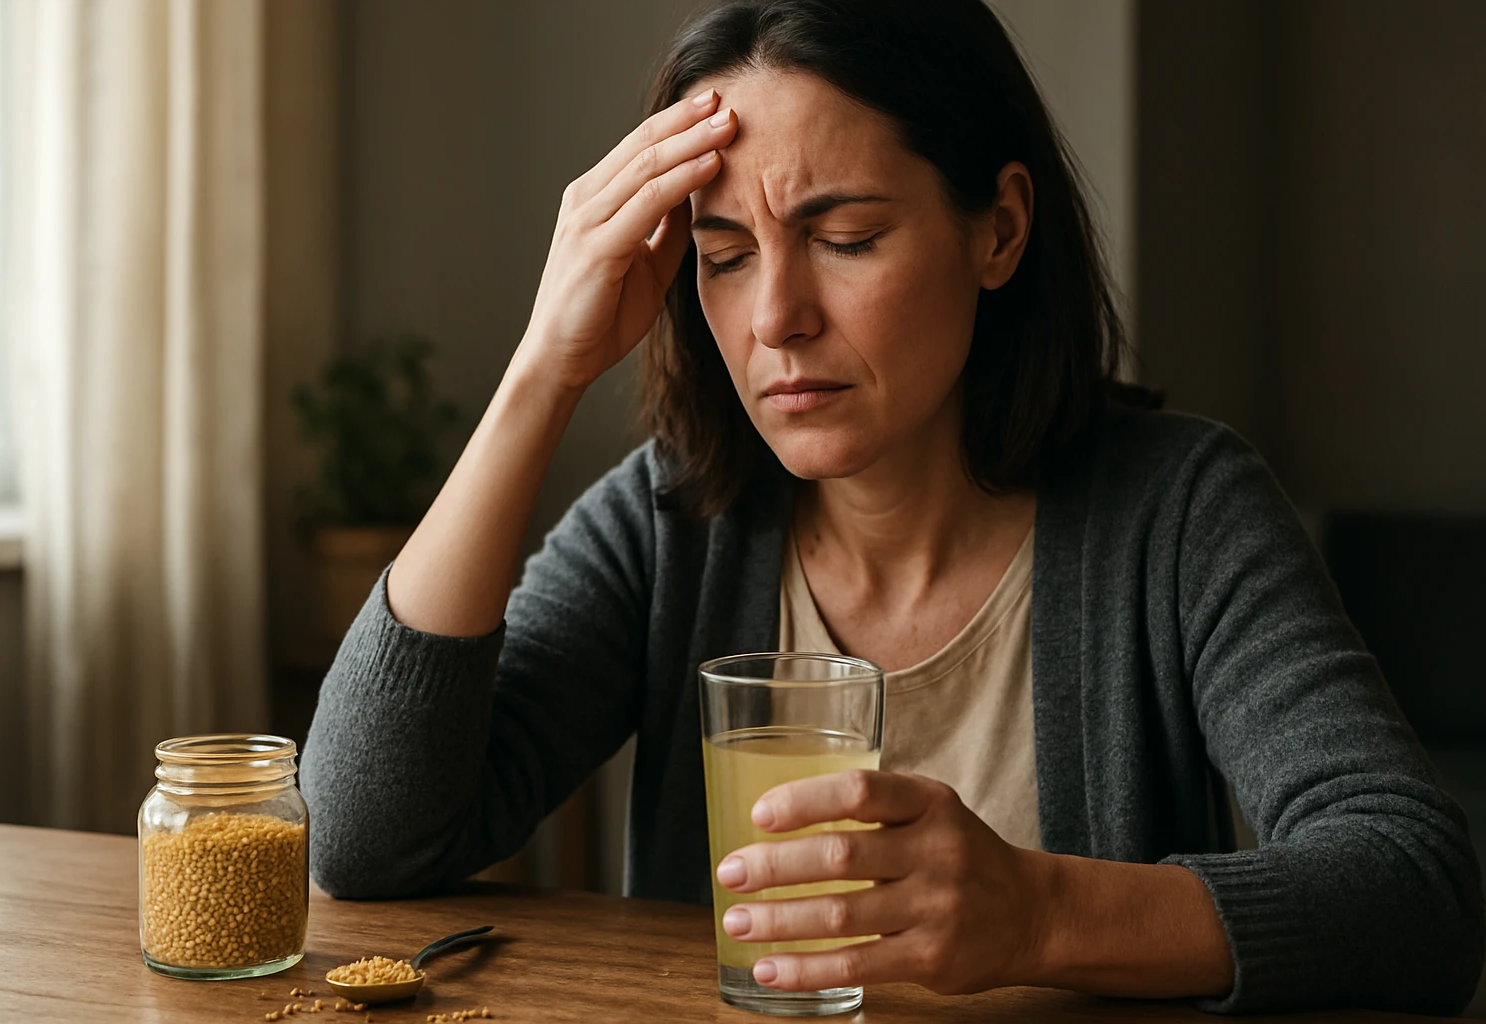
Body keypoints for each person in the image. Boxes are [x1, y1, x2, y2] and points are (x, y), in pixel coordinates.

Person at [301, 0, 1483, 1013]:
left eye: (846, 237)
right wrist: (541, 375)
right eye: (725, 256)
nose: (777, 319)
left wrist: (1041, 913)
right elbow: (362, 836)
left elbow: (1417, 886)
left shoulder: (1178, 515)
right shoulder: (673, 523)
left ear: (999, 229)